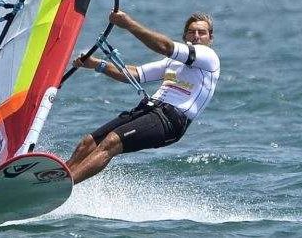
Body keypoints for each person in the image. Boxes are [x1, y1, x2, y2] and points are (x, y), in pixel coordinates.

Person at [66, 10, 220, 184]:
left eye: (202, 33)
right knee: (89, 142)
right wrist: (97, 64)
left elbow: (166, 47)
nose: (196, 36)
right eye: (192, 32)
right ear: (185, 35)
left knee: (112, 142)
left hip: (171, 121)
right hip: (150, 109)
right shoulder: (173, 62)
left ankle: (64, 185)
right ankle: (54, 179)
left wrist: (128, 23)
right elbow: (134, 74)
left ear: (210, 39)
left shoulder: (208, 57)